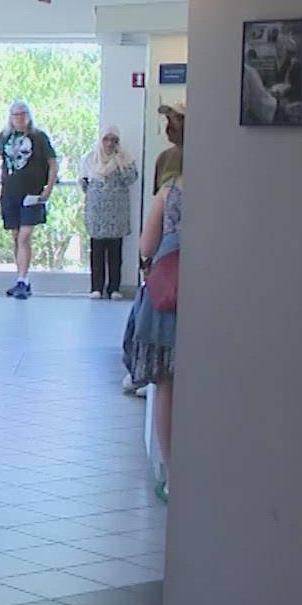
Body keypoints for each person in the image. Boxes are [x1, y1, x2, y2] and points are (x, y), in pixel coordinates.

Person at [127, 171, 182, 503]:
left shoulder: (172, 190)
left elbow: (147, 246)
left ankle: (174, 475)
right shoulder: (230, 187)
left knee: (166, 384)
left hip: (171, 296)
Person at [0, 100, 57, 299]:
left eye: (23, 114)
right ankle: (22, 278)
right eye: (15, 115)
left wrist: (48, 190)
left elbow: (53, 164)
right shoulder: (5, 137)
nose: (19, 118)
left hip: (32, 194)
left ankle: (22, 279)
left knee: (25, 236)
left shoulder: (39, 138)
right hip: (10, 192)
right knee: (16, 237)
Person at [79, 123, 140, 300]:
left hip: (117, 212)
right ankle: (96, 287)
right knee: (97, 250)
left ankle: (114, 288)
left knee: (115, 251)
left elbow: (130, 178)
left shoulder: (125, 159)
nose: (109, 144)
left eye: (114, 140)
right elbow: (84, 183)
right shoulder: (90, 159)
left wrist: (120, 160)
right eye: (106, 139)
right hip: (96, 211)